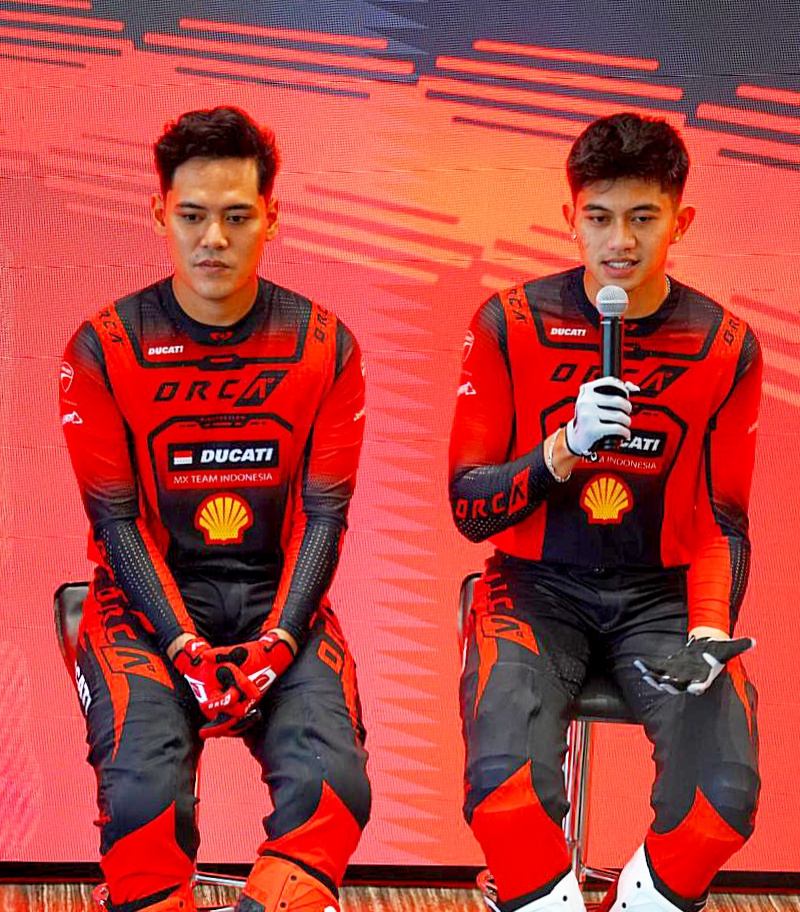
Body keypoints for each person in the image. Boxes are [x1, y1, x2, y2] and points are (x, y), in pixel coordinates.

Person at [59, 106, 370, 912]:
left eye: (237, 217)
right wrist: (183, 644)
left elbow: (324, 518)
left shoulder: (326, 345)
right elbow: (116, 524)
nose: (214, 240)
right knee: (142, 809)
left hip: (279, 605)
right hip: (143, 612)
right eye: (193, 216)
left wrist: (280, 639)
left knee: (334, 792)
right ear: (159, 212)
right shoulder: (102, 347)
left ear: (272, 216)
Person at [449, 113, 761, 912]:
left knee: (722, 800)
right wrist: (562, 449)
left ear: (681, 221)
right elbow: (470, 507)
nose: (620, 241)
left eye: (643, 217)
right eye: (599, 217)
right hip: (533, 588)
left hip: (663, 598)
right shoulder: (508, 323)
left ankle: (634, 900)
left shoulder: (726, 345)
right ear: (571, 218)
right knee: (503, 793)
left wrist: (708, 629)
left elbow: (724, 519)